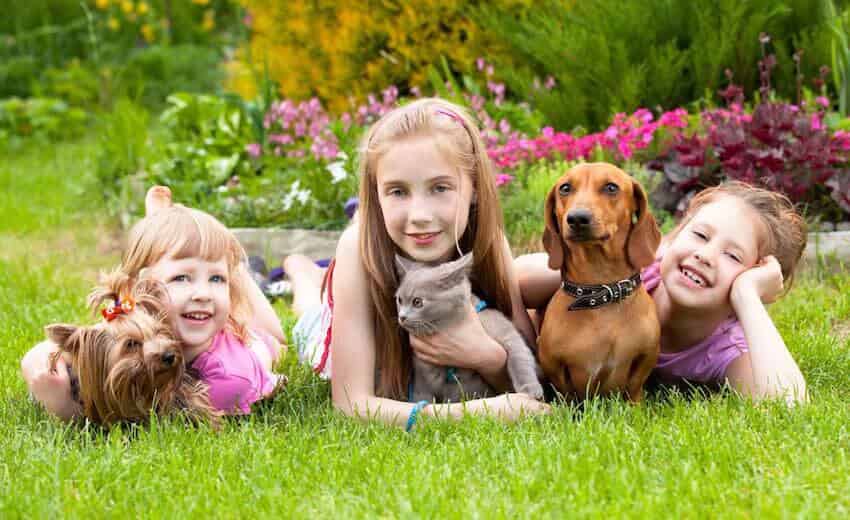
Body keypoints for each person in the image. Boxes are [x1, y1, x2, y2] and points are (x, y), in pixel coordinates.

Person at [285, 97, 551, 430]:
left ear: (475, 190)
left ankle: (313, 274)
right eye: (397, 192)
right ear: (375, 194)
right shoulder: (358, 247)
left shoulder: (488, 238)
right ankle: (302, 272)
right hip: (334, 320)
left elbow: (529, 375)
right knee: (308, 314)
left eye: (440, 187)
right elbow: (350, 404)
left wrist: (487, 356)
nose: (420, 216)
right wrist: (476, 414)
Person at [517, 181, 808, 404]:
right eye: (699, 235)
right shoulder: (637, 274)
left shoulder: (723, 347)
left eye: (733, 256)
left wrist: (748, 297)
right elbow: (518, 278)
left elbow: (789, 403)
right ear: (674, 237)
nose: (705, 255)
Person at [21, 187, 287, 420]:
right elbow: (57, 348)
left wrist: (64, 407)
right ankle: (172, 234)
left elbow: (139, 418)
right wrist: (42, 368)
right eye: (181, 277)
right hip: (195, 313)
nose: (202, 293)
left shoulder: (227, 381)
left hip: (253, 341)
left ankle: (241, 266)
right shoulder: (136, 312)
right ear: (144, 288)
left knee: (276, 336)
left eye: (218, 278)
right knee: (207, 285)